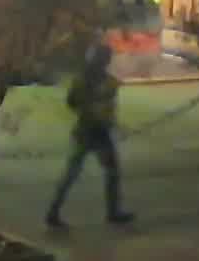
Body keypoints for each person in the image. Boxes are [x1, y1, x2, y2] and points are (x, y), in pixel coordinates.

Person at [44, 45, 134, 230]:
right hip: (89, 131)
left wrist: (104, 116)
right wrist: (96, 111)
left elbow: (75, 102)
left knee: (101, 172)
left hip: (93, 131)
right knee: (81, 173)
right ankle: (111, 212)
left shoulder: (95, 80)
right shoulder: (92, 81)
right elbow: (74, 102)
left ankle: (55, 212)